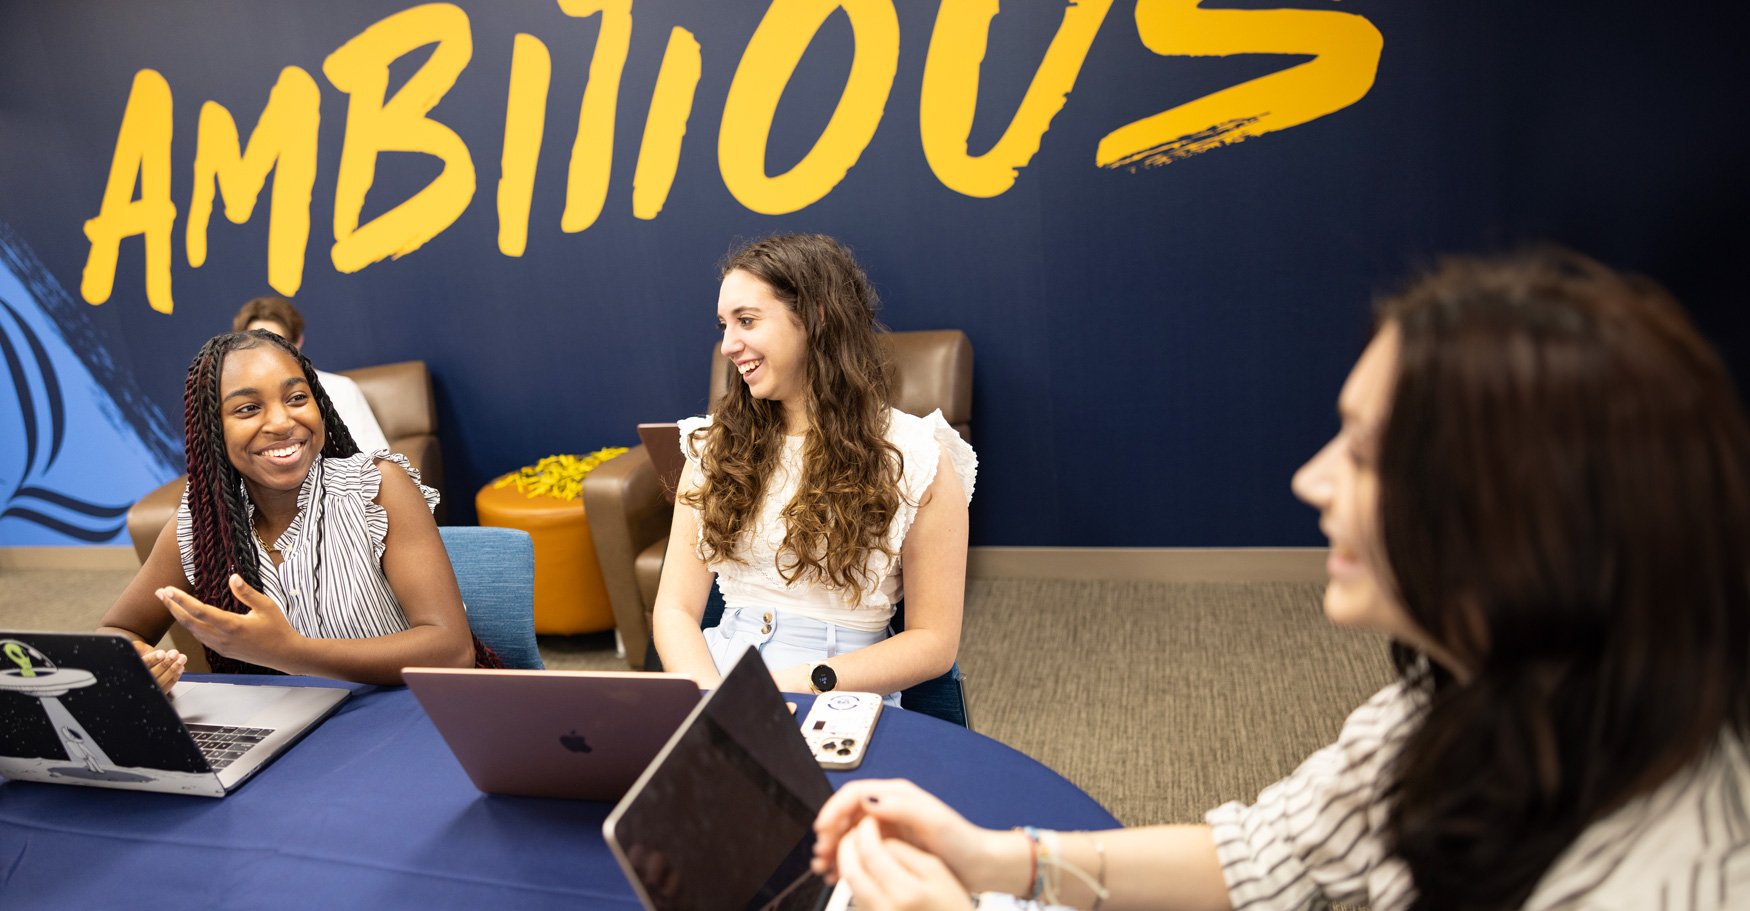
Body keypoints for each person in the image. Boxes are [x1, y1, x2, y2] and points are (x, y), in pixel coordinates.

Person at [811, 251, 1750, 910]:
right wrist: (996, 860)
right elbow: (1259, 856)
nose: (1311, 478)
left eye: (1370, 452)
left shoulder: (1671, 884)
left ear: (1526, 517)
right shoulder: (1447, 710)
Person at [651, 234, 977, 702]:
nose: (727, 345)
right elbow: (675, 608)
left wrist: (786, 687)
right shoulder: (713, 445)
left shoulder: (916, 456)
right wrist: (710, 699)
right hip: (716, 678)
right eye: (724, 325)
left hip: (837, 691)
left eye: (746, 321)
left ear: (816, 318)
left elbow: (933, 644)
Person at [98, 330, 491, 690]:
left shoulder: (377, 488)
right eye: (248, 408)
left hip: (410, 711)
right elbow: (116, 631)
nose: (282, 421)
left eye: (297, 398)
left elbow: (451, 650)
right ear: (212, 429)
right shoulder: (199, 526)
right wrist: (141, 664)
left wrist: (289, 652)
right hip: (294, 735)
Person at [233, 295, 391, 456]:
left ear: (297, 342)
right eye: (257, 345)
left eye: (278, 343)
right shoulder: (237, 401)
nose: (267, 354)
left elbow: (375, 458)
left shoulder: (340, 389)